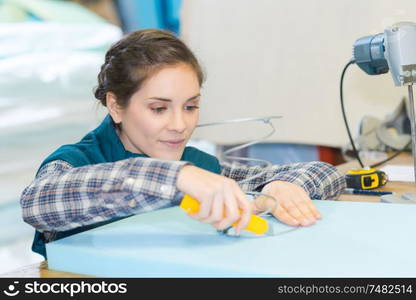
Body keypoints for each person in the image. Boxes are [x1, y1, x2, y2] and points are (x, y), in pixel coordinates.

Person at [20, 29, 346, 259]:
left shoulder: (196, 165)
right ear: (116, 106)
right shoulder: (76, 162)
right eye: (159, 108)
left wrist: (281, 185)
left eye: (190, 106)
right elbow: (38, 203)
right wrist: (174, 178)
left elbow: (323, 173)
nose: (180, 125)